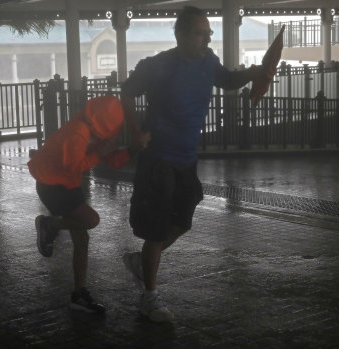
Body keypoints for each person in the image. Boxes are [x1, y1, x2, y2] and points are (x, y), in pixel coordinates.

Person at [120, 6, 276, 322]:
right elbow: (126, 92)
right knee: (158, 227)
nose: (207, 38)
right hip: (159, 158)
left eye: (209, 33)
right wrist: (135, 133)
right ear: (180, 34)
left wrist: (254, 72)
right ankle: (149, 297)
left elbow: (227, 80)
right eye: (200, 33)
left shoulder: (208, 62)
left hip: (186, 157)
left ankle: (143, 262)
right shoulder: (159, 65)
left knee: (183, 219)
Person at [28, 95, 148, 314]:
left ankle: (78, 294)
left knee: (82, 239)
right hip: (51, 184)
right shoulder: (78, 133)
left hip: (66, 183)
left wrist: (133, 149)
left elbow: (111, 160)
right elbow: (74, 168)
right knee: (91, 220)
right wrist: (100, 153)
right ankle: (48, 226)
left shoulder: (95, 129)